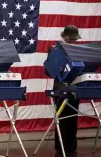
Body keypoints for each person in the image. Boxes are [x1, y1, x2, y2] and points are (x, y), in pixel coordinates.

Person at [45, 25, 81, 157]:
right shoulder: (55, 50)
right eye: (71, 39)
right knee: (62, 117)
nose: (73, 41)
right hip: (60, 87)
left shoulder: (78, 49)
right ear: (64, 36)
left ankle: (71, 148)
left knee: (73, 117)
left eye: (75, 39)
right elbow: (49, 70)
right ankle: (60, 148)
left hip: (75, 85)